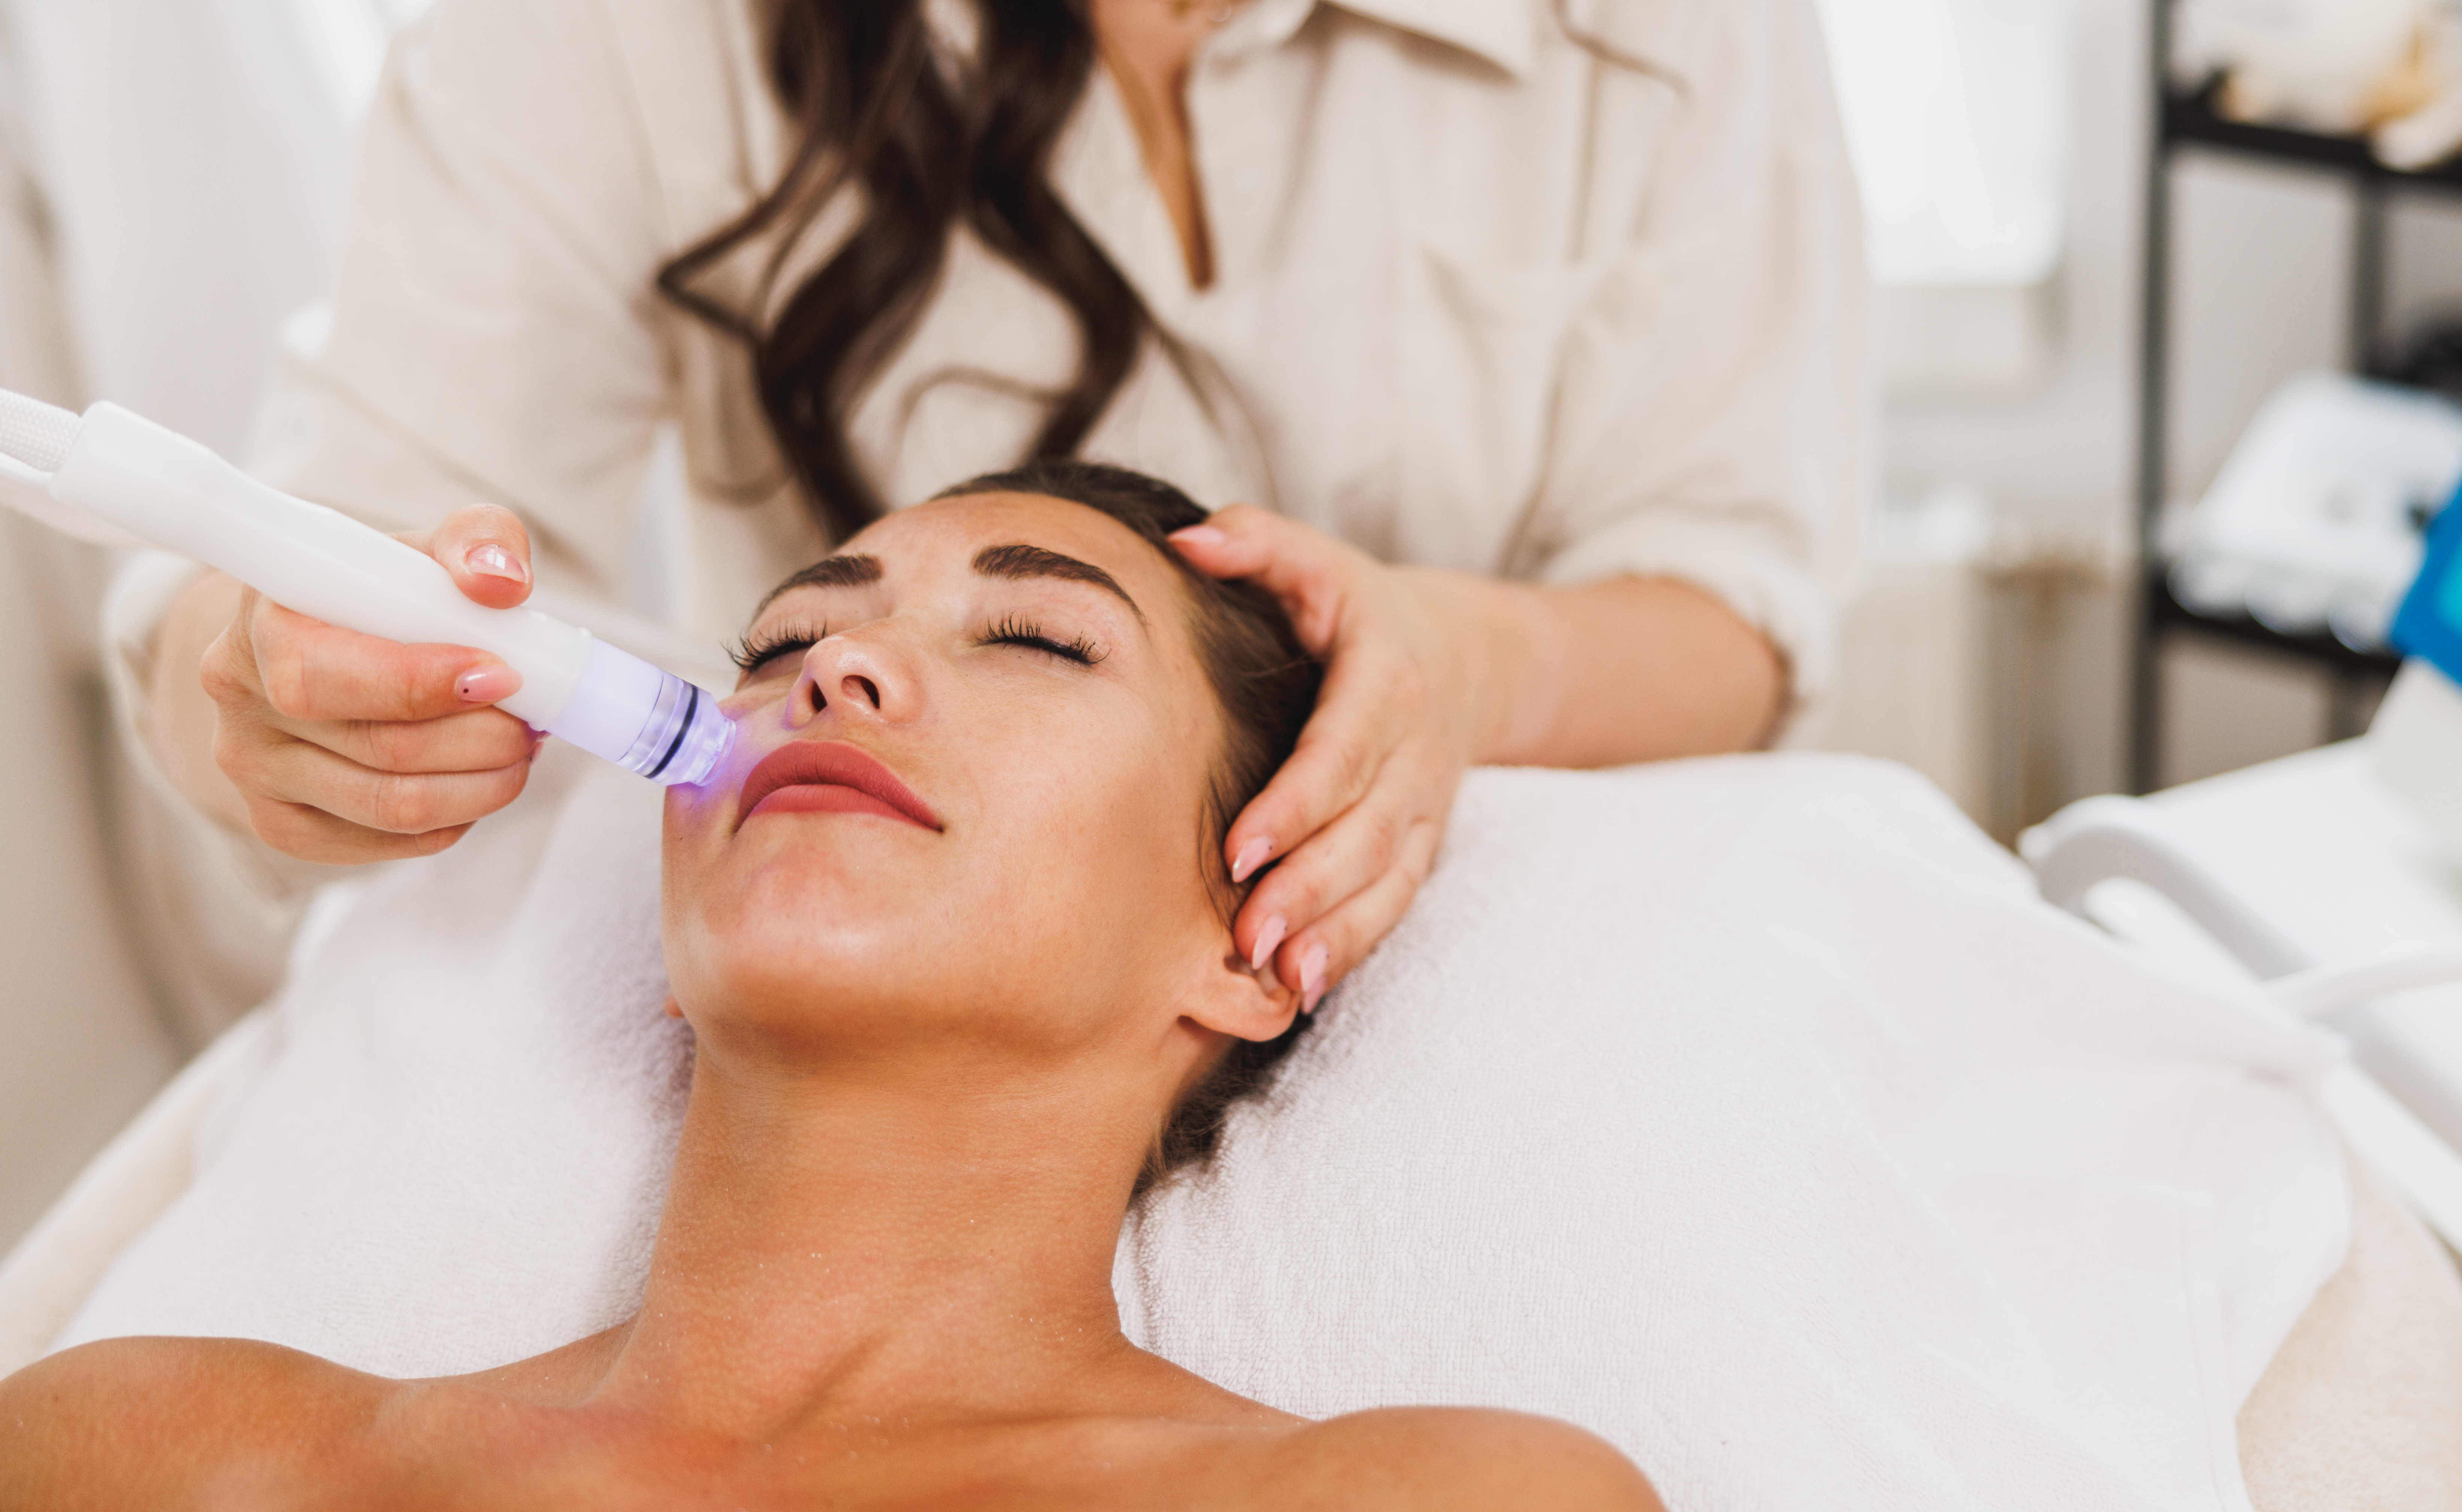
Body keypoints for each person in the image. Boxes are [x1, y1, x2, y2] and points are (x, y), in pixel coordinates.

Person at [135, 0, 1865, 1012]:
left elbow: (1732, 599)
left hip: (1518, 1000)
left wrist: (1450, 665)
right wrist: (259, 693)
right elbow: (353, 518)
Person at [7, 462, 1665, 1508]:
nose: (831, 670)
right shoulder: (146, 1449)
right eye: (780, 639)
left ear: (1249, 937)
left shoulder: (1444, 1493)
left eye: (1036, 641)